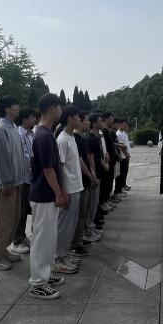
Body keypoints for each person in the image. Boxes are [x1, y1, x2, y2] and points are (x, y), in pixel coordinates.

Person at [28, 93, 66, 299]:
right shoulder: (44, 135)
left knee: (48, 237)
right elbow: (48, 169)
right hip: (44, 194)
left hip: (45, 193)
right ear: (52, 108)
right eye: (59, 107)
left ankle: (45, 273)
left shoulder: (44, 133)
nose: (61, 111)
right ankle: (38, 283)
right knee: (42, 239)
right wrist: (58, 192)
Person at [0, 96, 24, 271]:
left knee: (13, 219)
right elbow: (1, 158)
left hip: (16, 182)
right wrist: (5, 182)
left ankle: (3, 250)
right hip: (6, 184)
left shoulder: (13, 127)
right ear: (7, 108)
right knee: (2, 221)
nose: (18, 108)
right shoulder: (1, 129)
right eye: (15, 105)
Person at [54, 106, 85, 274]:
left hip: (76, 187)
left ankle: (64, 253)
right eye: (77, 117)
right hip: (68, 189)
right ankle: (57, 258)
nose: (80, 120)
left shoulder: (71, 137)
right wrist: (62, 191)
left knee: (71, 225)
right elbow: (59, 167)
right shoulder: (62, 140)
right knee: (63, 226)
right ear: (69, 119)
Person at [70, 111, 100, 257]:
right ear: (80, 122)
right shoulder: (75, 139)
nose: (89, 122)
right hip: (80, 181)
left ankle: (79, 238)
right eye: (86, 120)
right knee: (79, 214)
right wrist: (91, 174)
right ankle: (74, 244)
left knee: (83, 212)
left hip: (84, 181)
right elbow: (81, 161)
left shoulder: (81, 138)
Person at [9, 107, 37, 255]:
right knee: (19, 210)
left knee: (25, 209)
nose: (35, 120)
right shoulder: (18, 134)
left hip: (29, 177)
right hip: (21, 178)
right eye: (32, 117)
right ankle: (16, 241)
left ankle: (22, 235)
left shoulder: (31, 134)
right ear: (25, 119)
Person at [115, 118, 132, 194]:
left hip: (126, 156)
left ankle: (123, 185)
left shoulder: (124, 133)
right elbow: (121, 147)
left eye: (126, 125)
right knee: (121, 173)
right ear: (120, 124)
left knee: (125, 172)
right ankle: (119, 188)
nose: (125, 126)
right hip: (122, 157)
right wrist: (127, 155)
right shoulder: (118, 134)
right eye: (124, 124)